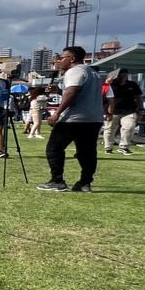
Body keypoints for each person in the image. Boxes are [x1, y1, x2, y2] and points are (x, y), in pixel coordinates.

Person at [38, 46, 104, 192]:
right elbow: (81, 93)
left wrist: (56, 113)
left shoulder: (75, 71)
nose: (59, 61)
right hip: (93, 118)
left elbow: (72, 93)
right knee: (87, 152)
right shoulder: (93, 73)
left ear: (72, 59)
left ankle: (57, 181)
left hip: (74, 118)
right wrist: (60, 91)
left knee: (54, 148)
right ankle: (85, 183)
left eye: (62, 58)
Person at [103, 68, 142, 155]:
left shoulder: (132, 85)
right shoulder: (110, 85)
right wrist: (107, 112)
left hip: (129, 110)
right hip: (112, 111)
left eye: (125, 75)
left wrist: (140, 108)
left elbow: (139, 97)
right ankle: (108, 147)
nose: (123, 77)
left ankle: (124, 147)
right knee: (109, 129)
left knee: (129, 127)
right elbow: (103, 95)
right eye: (120, 75)